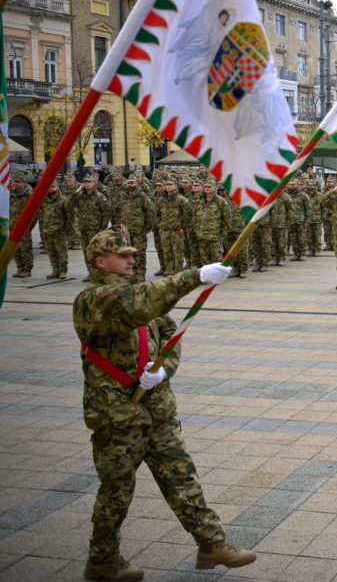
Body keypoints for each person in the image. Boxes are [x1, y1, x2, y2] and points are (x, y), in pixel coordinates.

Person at [74, 227, 255, 580]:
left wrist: (164, 370)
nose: (132, 260)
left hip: (157, 410)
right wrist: (194, 276)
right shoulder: (94, 299)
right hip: (118, 416)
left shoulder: (136, 293)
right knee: (116, 493)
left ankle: (212, 544)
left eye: (132, 254)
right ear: (101, 261)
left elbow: (170, 333)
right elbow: (139, 303)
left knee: (182, 478)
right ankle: (102, 559)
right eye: (123, 256)